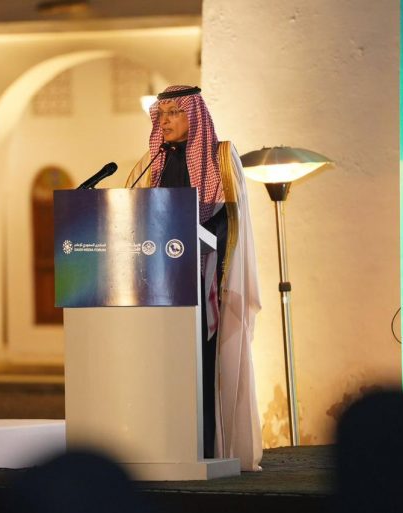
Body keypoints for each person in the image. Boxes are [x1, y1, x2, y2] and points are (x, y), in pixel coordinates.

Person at [125, 85, 262, 471]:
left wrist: (194, 240)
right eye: (161, 114)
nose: (165, 121)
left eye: (174, 113)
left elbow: (229, 221)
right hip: (160, 286)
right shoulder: (149, 164)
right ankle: (161, 446)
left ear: (194, 115)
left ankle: (203, 448)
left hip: (205, 283)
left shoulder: (221, 158)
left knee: (200, 368)